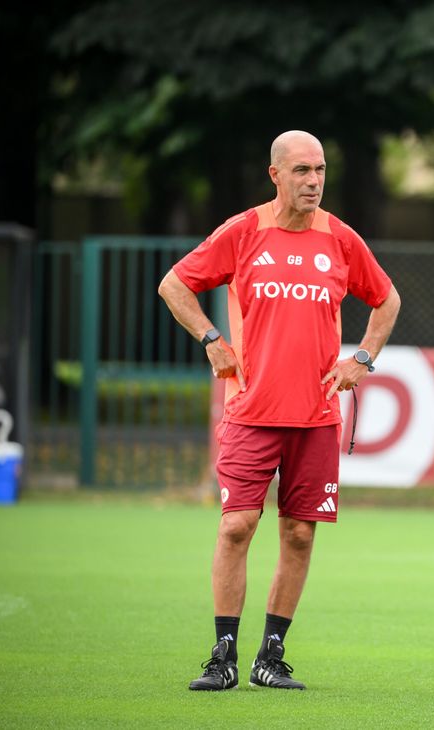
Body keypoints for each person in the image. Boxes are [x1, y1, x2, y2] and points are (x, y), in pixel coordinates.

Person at [158, 130, 400, 691]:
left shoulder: (340, 238)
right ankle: (223, 655)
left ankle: (272, 654)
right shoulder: (244, 232)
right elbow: (175, 285)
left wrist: (361, 358)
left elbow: (386, 300)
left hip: (316, 419)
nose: (313, 181)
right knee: (237, 526)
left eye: (319, 171)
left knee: (298, 535)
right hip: (251, 412)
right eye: (301, 171)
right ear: (275, 175)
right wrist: (212, 339)